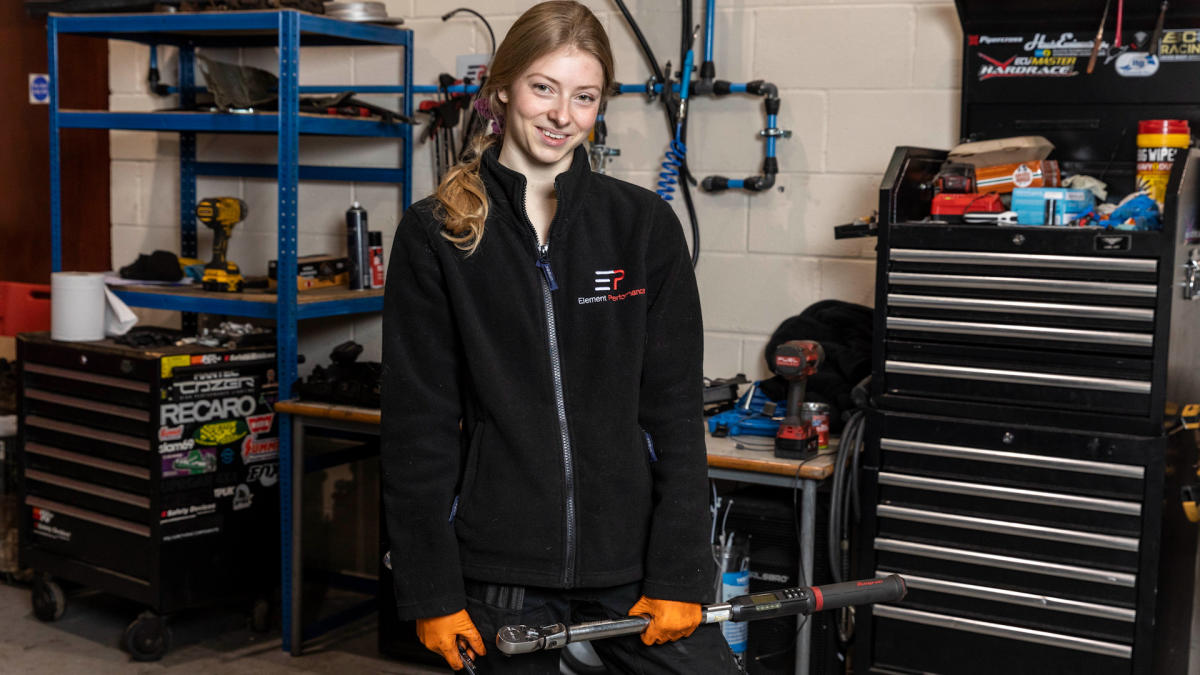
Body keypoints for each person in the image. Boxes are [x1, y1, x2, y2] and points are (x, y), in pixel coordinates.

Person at [381, 2, 738, 672]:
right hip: (502, 572)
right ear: (503, 89)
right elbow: (417, 426)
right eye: (543, 88)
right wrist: (432, 591)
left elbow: (674, 412)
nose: (561, 115)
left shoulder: (642, 227)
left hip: (630, 563)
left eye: (584, 96)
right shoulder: (438, 234)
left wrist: (680, 573)